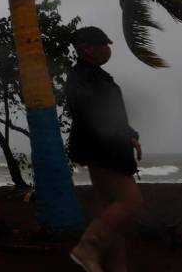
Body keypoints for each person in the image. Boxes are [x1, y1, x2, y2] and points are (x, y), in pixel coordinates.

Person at [65, 26, 143, 272]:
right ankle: (87, 248)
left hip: (105, 148)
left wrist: (129, 135)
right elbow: (93, 116)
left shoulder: (95, 75)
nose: (108, 49)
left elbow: (111, 114)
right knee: (131, 201)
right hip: (103, 151)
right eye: (104, 44)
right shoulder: (82, 77)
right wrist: (120, 137)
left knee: (108, 209)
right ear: (87, 48)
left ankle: (112, 265)